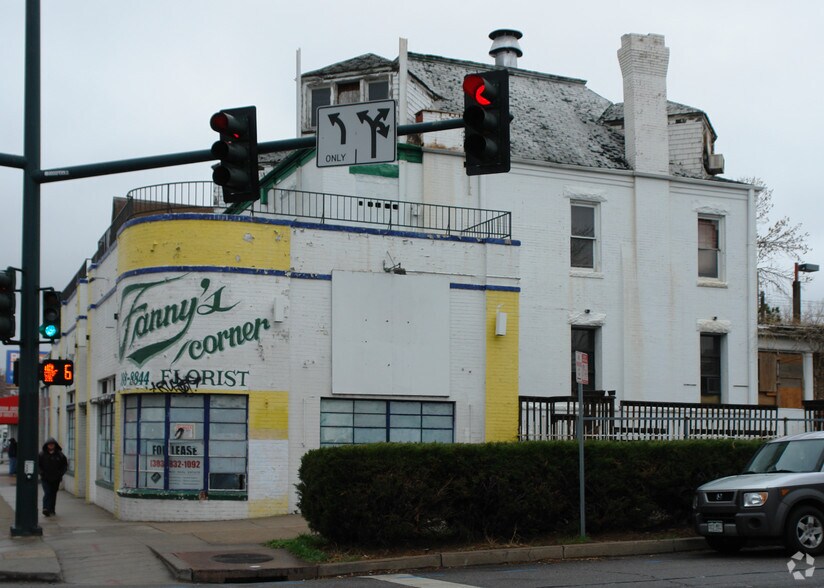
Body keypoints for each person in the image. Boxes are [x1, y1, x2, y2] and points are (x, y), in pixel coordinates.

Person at [38, 438, 67, 517]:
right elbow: (38, 465)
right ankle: (45, 508)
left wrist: (60, 474)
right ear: (47, 445)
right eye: (49, 444)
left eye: (52, 444)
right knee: (47, 492)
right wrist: (41, 472)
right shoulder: (42, 454)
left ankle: (51, 509)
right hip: (45, 478)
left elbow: (64, 466)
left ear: (55, 445)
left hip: (56, 478)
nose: (51, 445)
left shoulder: (60, 455)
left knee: (53, 494)